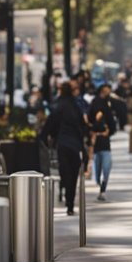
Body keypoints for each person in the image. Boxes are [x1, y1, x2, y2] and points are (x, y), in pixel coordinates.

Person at [40, 80, 88, 215]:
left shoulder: (59, 106)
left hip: (62, 143)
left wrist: (46, 138)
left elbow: (49, 125)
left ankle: (64, 191)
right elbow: (83, 127)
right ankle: (70, 203)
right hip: (75, 144)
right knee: (73, 174)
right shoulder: (76, 107)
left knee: (65, 171)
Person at [89, 109, 114, 201]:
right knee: (97, 174)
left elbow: (108, 131)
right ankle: (101, 187)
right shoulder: (94, 125)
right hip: (97, 150)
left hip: (106, 150)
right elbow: (91, 139)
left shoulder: (106, 123)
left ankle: (102, 190)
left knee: (106, 171)